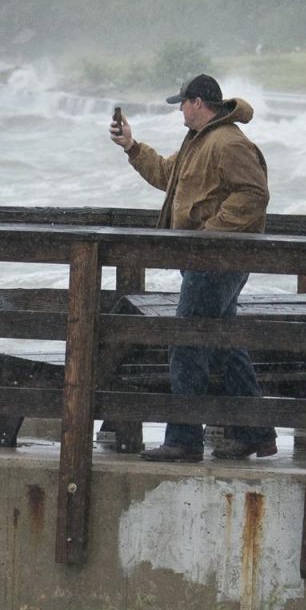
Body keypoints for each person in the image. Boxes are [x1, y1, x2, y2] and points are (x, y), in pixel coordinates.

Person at [110, 73, 279, 463]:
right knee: (222, 345)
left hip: (217, 260)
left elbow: (254, 195)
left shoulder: (229, 142)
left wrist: (209, 234)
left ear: (199, 103)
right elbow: (169, 178)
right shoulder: (200, 141)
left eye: (183, 103)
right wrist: (132, 147)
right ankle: (257, 431)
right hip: (207, 259)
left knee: (185, 341)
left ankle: (184, 439)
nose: (180, 110)